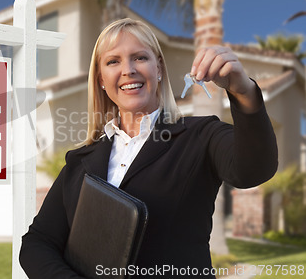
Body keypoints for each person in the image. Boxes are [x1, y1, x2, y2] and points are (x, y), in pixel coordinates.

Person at [19, 18, 278, 278]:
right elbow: (38, 243)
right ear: (100, 79)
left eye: (140, 57)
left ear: (159, 68)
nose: (128, 69)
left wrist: (243, 91)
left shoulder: (200, 136)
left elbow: (253, 170)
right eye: (113, 61)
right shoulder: (79, 161)